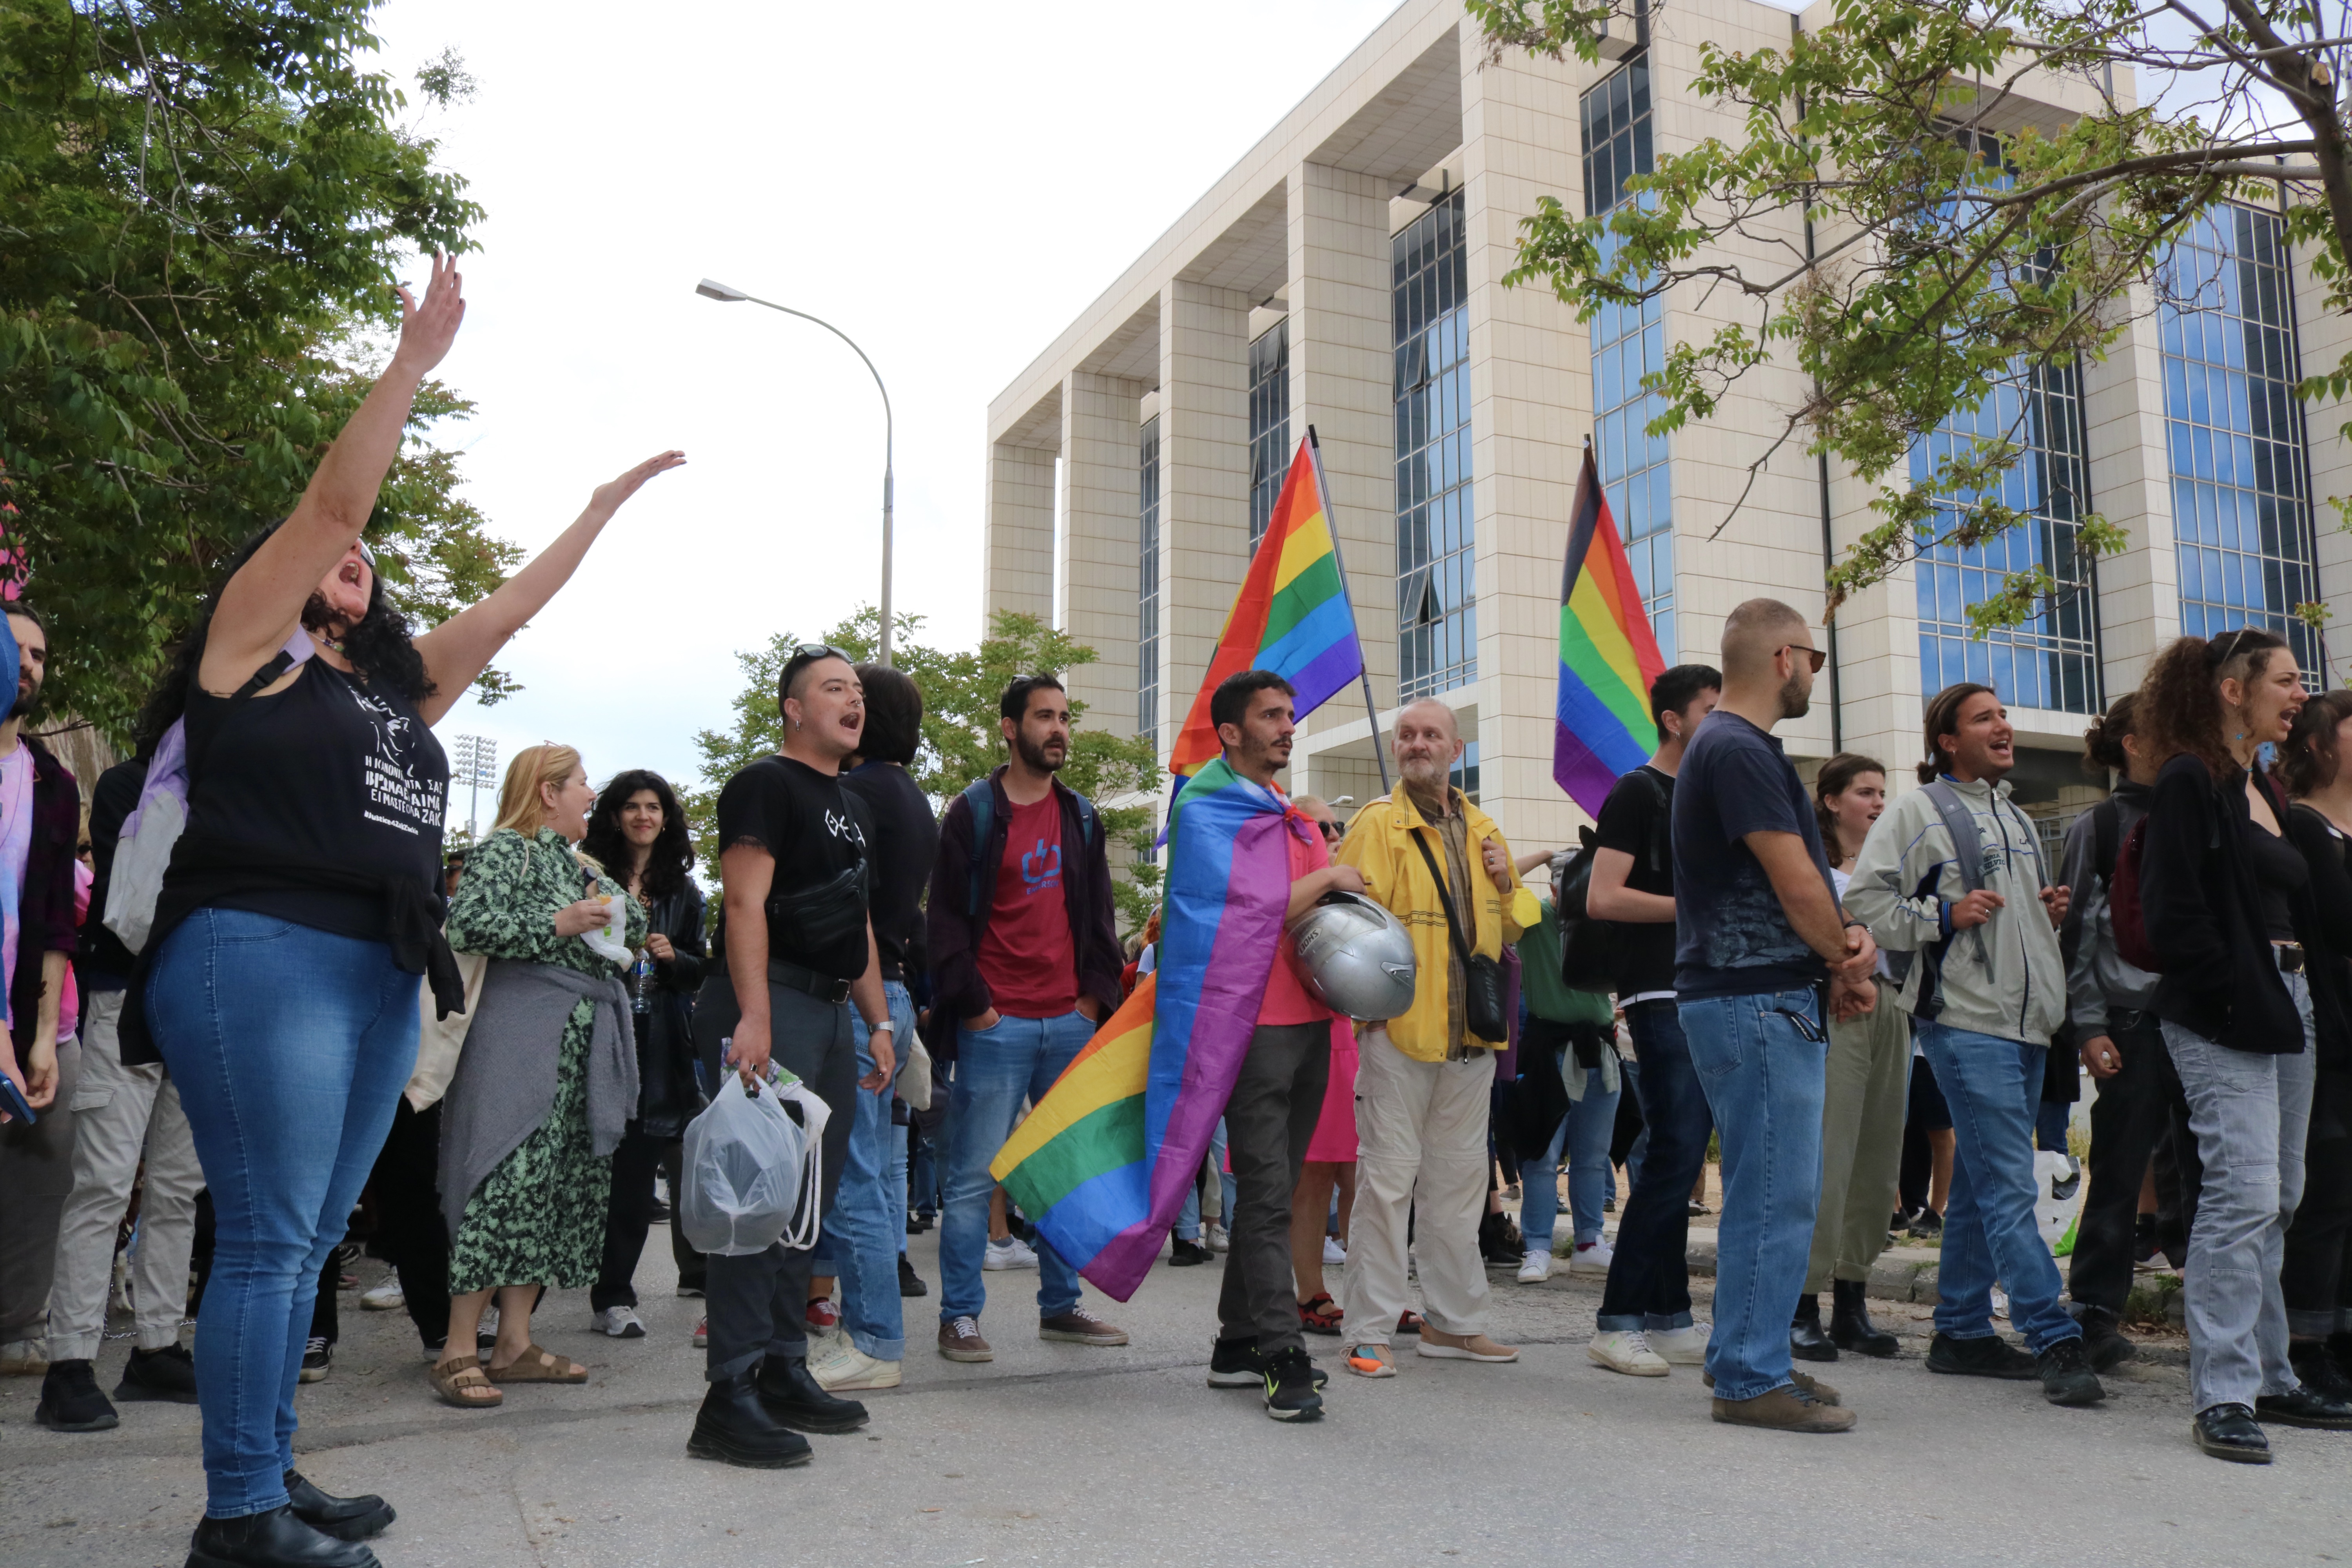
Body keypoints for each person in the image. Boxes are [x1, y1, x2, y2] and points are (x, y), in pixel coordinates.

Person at [130, 253, 683, 1565]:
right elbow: (332, 503)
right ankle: (239, 1516)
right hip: (256, 950)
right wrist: (410, 370)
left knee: (316, 1231)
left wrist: (598, 510)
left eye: (370, 560)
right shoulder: (245, 654)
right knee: (268, 1234)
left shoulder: (391, 695)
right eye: (340, 554)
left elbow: (506, 614)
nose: (354, 561)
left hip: (377, 972)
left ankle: (268, 1468)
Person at [1846, 684, 2100, 1408]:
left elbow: (2006, 921)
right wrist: (1942, 914)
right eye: (1985, 717)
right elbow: (1864, 901)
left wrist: (2038, 911)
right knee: (2010, 1182)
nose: (2005, 725)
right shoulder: (1917, 810)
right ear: (1947, 741)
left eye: (2004, 715)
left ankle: (1960, 1329)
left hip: (2026, 1025)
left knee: (1990, 1183)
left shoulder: (2014, 813)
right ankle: (2052, 1332)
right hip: (1963, 1021)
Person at [2137, 628, 2352, 1461]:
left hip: (2285, 1002)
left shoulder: (2258, 781)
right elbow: (2172, 913)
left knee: (2282, 1194)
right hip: (2229, 1007)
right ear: (2234, 689)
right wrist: (2233, 992)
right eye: (2289, 680)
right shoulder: (2192, 778)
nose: (2302, 694)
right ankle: (2224, 1391)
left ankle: (2271, 1373)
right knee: (2241, 1195)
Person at [687, 645, 898, 1469]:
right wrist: (755, 1015)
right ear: (793, 708)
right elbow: (744, 901)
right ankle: (727, 1394)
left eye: (858, 690)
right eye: (833, 688)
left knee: (805, 1202)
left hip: (831, 1012)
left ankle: (781, 1365)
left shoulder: (856, 804)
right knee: (752, 1202)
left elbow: (861, 922)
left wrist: (879, 1020)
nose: (853, 700)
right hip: (766, 1001)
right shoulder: (763, 784)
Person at [1670, 598, 1875, 1434]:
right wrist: (1845, 953)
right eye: (1817, 661)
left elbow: (1799, 886)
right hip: (1754, 998)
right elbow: (1798, 882)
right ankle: (1752, 1375)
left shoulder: (1725, 744)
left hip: (1751, 995)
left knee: (1770, 1187)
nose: (1815, 677)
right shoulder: (1739, 747)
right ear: (1787, 657)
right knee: (1775, 1193)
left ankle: (1744, 1356)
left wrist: (1840, 946)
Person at [432, 746, 646, 1408]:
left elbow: (634, 923)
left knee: (552, 1190)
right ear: (548, 792)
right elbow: (466, 924)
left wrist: (611, 909)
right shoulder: (507, 849)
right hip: (519, 1037)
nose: (591, 795)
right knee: (502, 1179)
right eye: (582, 784)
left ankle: (515, 1345)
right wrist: (560, 920)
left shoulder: (579, 863)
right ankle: (457, 1348)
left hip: (577, 1041)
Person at [925, 673, 1128, 1364]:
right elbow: (945, 927)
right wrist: (978, 1010)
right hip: (996, 1026)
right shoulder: (972, 814)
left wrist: (1093, 1003)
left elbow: (1101, 921)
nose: (1059, 729)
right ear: (1010, 728)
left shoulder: (1082, 817)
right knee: (973, 1180)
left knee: (1068, 1170)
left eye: (1065, 717)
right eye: (1045, 717)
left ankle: (1062, 1307)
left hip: (1069, 1020)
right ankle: (958, 1317)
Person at [1335, 698, 1538, 1378]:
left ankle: (1455, 1325)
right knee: (1387, 1184)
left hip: (1471, 1037)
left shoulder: (1483, 827)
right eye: (1407, 736)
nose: (1417, 744)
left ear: (1457, 748)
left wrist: (1508, 883)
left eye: (1431, 735)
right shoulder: (1376, 825)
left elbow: (1515, 928)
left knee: (1458, 1186)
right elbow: (1353, 924)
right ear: (1395, 749)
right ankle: (1369, 1329)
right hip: (1398, 1032)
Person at [1187, 674, 1356, 1419]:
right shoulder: (1205, 807)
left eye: (1291, 715)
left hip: (1313, 1019)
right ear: (1230, 732)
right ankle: (1285, 1359)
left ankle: (1235, 1345)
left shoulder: (1289, 816)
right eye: (1271, 716)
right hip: (1250, 1027)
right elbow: (1234, 919)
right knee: (1263, 1193)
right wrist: (1327, 881)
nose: (1289, 727)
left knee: (1277, 1190)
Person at [40, 745, 206, 1431]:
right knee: (105, 1183)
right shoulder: (128, 784)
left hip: (201, 1006)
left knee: (177, 1187)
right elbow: (133, 896)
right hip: (122, 1001)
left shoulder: (240, 787)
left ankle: (157, 1347)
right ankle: (69, 1364)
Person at [1584, 663, 1721, 1374]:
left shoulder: (1703, 793)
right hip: (1656, 993)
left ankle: (1669, 1318)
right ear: (1673, 720)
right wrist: (1693, 911)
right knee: (1674, 1151)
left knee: (1681, 1151)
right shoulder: (1637, 791)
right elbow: (1604, 896)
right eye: (1711, 708)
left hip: (1703, 989)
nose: (1723, 722)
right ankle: (1617, 1322)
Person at [811, 662, 939, 1392]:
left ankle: (875, 1344)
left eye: (853, 698)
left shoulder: (855, 794)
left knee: (857, 1173)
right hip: (885, 989)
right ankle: (864, 1333)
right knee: (869, 1171)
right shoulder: (908, 795)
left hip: (859, 995)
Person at [2060, 694, 2188, 1372]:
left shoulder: (2203, 814)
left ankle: (2220, 1317)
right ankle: (2095, 1314)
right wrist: (2087, 1025)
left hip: (2204, 1025)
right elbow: (2078, 937)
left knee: (2206, 1174)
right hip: (2132, 1026)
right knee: (2118, 1168)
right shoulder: (2101, 826)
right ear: (2136, 743)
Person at [581, 769, 707, 1341]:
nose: (643, 816)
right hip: (591, 1038)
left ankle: (615, 1296)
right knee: (577, 1178)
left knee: (634, 1183)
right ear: (613, 815)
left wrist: (673, 956)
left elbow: (702, 971)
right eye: (631, 806)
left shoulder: (683, 893)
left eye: (653, 806)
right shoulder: (585, 878)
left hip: (657, 1049)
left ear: (666, 818)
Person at [1791, 753, 1907, 1361]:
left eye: (1883, 793)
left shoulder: (1893, 867)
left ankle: (1853, 1301)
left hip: (1892, 1004)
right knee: (1830, 1154)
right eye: (1866, 792)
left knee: (1878, 1154)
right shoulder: (1811, 865)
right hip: (1836, 1006)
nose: (1878, 803)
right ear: (1832, 800)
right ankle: (1803, 1301)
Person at [0, 604, 81, 1379]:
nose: (30, 665)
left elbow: (57, 915)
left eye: (41, 654)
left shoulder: (53, 782)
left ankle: (14, 1324)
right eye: (16, 648)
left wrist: (41, 1034)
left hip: (32, 1012)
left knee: (47, 1159)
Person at [2278, 689, 2352, 1402]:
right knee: (2326, 1189)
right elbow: (2338, 923)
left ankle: (2344, 1331)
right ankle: (2305, 1344)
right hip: (2328, 1030)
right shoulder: (2303, 825)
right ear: (2322, 743)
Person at [1289, 797, 1359, 1336]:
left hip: (1360, 1037)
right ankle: (1310, 1292)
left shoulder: (1350, 881)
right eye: (1323, 826)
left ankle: (1373, 1292)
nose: (1333, 833)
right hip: (1312, 1032)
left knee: (1363, 1171)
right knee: (1314, 1173)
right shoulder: (1298, 880)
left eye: (1337, 827)